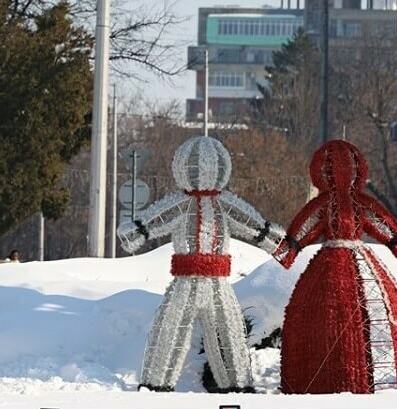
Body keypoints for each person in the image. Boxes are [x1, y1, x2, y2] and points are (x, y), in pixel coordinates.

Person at [117, 136, 284, 393]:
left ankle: (235, 384)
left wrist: (277, 241)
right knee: (172, 331)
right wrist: (136, 231)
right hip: (187, 279)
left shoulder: (222, 204)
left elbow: (255, 226)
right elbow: (152, 222)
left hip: (216, 281)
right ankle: (157, 383)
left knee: (226, 333)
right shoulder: (183, 204)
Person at [273, 140, 397, 395]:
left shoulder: (343, 202)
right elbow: (305, 228)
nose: (341, 174)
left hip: (344, 258)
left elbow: (380, 222)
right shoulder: (337, 203)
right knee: (342, 315)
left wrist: (289, 249)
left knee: (364, 311)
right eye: (334, 169)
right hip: (340, 259)